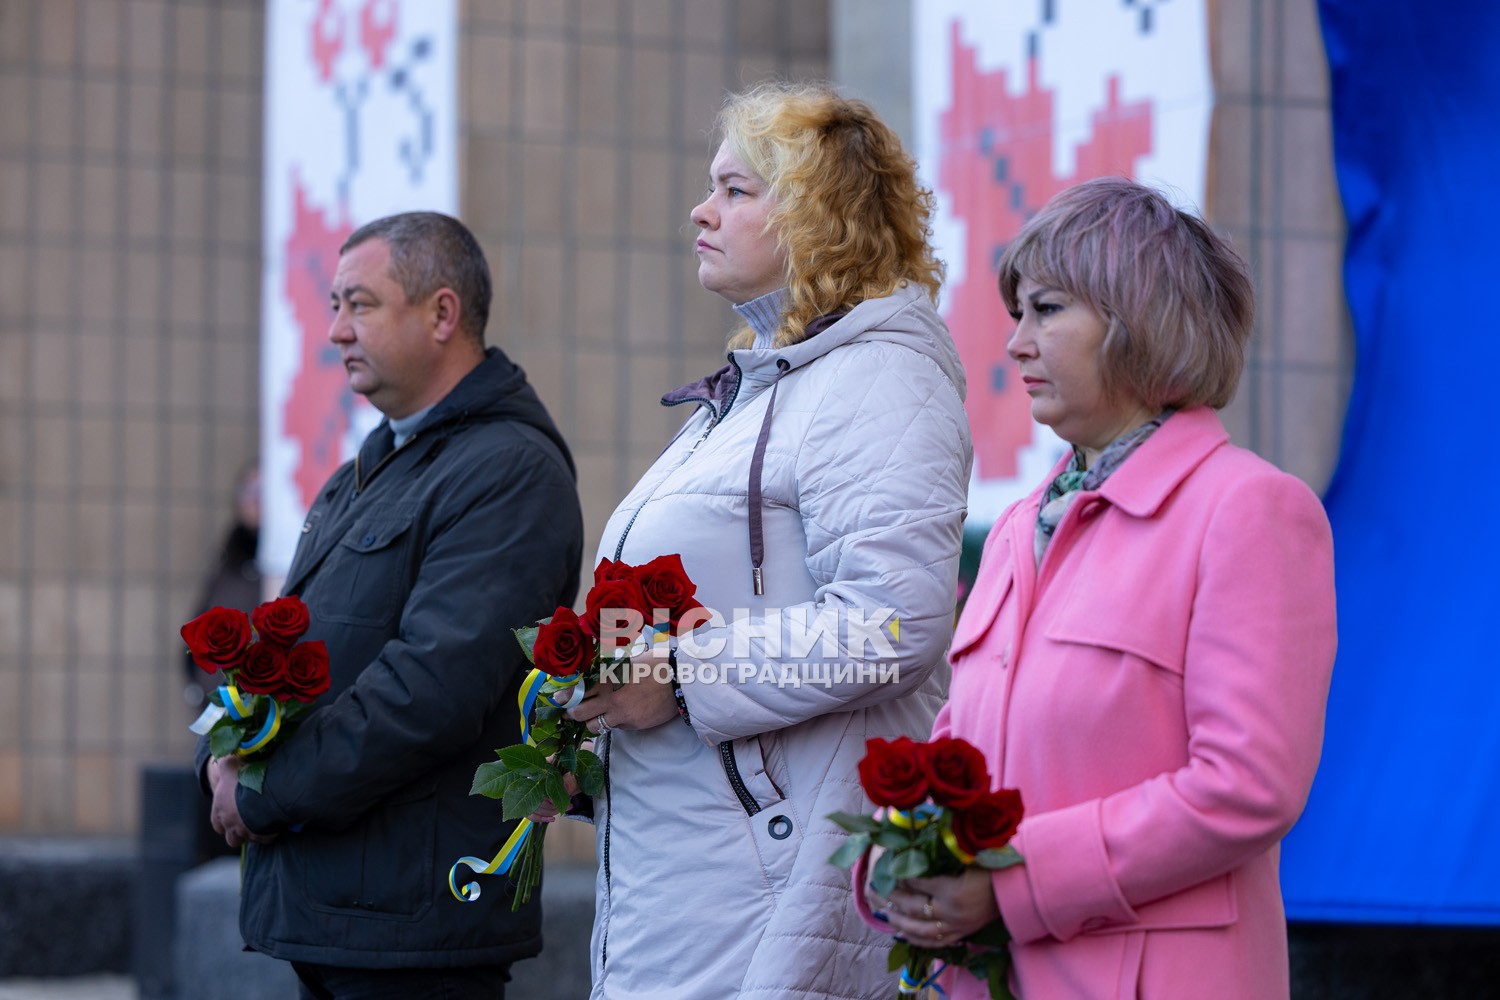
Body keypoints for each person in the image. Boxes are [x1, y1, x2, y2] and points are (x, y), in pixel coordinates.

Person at [536, 82, 974, 999]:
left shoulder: (880, 380)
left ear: (821, 214)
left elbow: (894, 620)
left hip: (763, 882)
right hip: (685, 868)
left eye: (737, 190)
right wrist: (586, 722)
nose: (702, 209)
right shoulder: (757, 391)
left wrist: (684, 680)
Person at [857, 178, 1338, 998]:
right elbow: (957, 748)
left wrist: (1014, 885)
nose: (1015, 343)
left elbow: (1248, 787)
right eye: (1018, 314)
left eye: (1046, 310)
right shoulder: (1015, 526)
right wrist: (896, 861)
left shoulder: (1249, 509)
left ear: (1136, 325)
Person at [197, 211, 585, 1000]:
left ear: (442, 314)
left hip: (415, 928)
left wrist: (265, 794)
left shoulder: (508, 472)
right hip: (341, 907)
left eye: (360, 304)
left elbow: (429, 689)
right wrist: (222, 753)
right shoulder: (368, 472)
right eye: (333, 304)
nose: (336, 330)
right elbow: (299, 659)